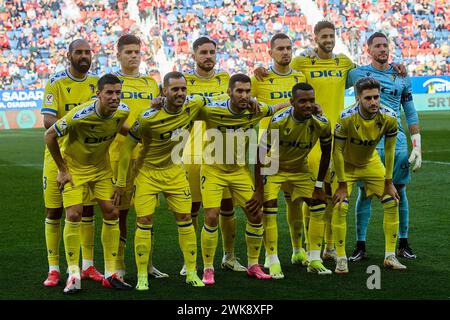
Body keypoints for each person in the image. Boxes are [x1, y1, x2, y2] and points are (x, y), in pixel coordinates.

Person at [113, 72, 208, 291]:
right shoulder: (148, 117)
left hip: (174, 170)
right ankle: (142, 276)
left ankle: (192, 272)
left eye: (183, 89)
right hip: (147, 173)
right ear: (164, 91)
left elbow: (218, 102)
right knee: (144, 221)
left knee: (185, 217)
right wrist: (121, 182)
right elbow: (127, 147)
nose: (180, 93)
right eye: (175, 89)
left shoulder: (192, 106)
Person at [44, 74, 133, 293]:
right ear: (98, 94)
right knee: (74, 214)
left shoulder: (123, 110)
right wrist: (62, 169)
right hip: (74, 168)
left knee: (112, 212)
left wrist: (144, 133)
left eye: (117, 92)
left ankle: (111, 273)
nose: (114, 97)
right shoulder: (80, 115)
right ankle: (73, 274)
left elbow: (123, 128)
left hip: (101, 169)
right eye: (109, 93)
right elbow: (48, 135)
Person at [198, 74, 288, 285]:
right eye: (239, 91)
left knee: (256, 214)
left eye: (248, 91)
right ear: (229, 92)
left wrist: (300, 104)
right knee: (211, 216)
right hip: (213, 170)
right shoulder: (212, 109)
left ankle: (253, 265)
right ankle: (208, 268)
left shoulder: (256, 110)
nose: (244, 95)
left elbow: (276, 108)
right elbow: (186, 111)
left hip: (239, 171)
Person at [347, 32, 421, 261]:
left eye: (385, 45)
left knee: (399, 190)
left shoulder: (401, 76)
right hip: (367, 141)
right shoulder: (356, 73)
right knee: (365, 193)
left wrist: (416, 144)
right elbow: (327, 81)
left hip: (396, 141)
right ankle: (360, 245)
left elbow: (409, 110)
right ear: (368, 49)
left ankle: (403, 243)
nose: (383, 49)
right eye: (377, 46)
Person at [181, 36, 246, 275]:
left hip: (223, 151)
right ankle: (192, 259)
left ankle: (229, 255)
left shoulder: (226, 80)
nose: (208, 56)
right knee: (193, 208)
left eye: (212, 52)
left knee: (227, 206)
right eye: (204, 52)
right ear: (194, 55)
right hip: (193, 151)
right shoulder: (184, 82)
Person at [41, 39, 103, 287]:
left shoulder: (96, 84)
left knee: (86, 210)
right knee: (54, 211)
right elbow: (48, 120)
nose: (84, 56)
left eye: (87, 52)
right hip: (58, 157)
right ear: (69, 55)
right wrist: (77, 124)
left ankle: (87, 265)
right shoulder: (56, 82)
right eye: (79, 52)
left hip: (86, 158)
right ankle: (54, 268)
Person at [256, 82, 333, 277]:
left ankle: (314, 258)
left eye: (311, 101)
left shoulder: (321, 123)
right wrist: (258, 187)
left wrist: (318, 185)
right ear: (292, 102)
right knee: (270, 209)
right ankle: (272, 259)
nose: (308, 105)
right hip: (274, 167)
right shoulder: (279, 121)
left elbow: (326, 153)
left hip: (300, 168)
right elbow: (261, 152)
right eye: (302, 101)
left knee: (318, 206)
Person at [332, 77, 407, 274]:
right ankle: (340, 258)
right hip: (345, 164)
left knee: (392, 200)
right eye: (368, 98)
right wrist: (340, 184)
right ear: (358, 98)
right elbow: (337, 152)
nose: (374, 102)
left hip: (370, 161)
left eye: (376, 97)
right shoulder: (346, 117)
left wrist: (389, 182)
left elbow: (389, 151)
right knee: (340, 205)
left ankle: (390, 256)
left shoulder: (389, 117)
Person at [250, 33, 309, 276]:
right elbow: (251, 107)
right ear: (270, 52)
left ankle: (298, 250)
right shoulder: (259, 78)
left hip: (295, 148)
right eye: (280, 49)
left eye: (288, 48)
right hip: (269, 148)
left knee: (294, 201)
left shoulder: (299, 77)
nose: (285, 52)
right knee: (268, 204)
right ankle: (270, 255)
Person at [109, 34, 167, 278]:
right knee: (119, 212)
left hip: (146, 158)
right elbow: (109, 117)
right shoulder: (111, 83)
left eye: (136, 51)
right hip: (119, 154)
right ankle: (119, 264)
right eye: (128, 52)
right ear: (118, 54)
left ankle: (148, 264)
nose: (133, 56)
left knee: (146, 213)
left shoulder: (151, 83)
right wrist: (134, 133)